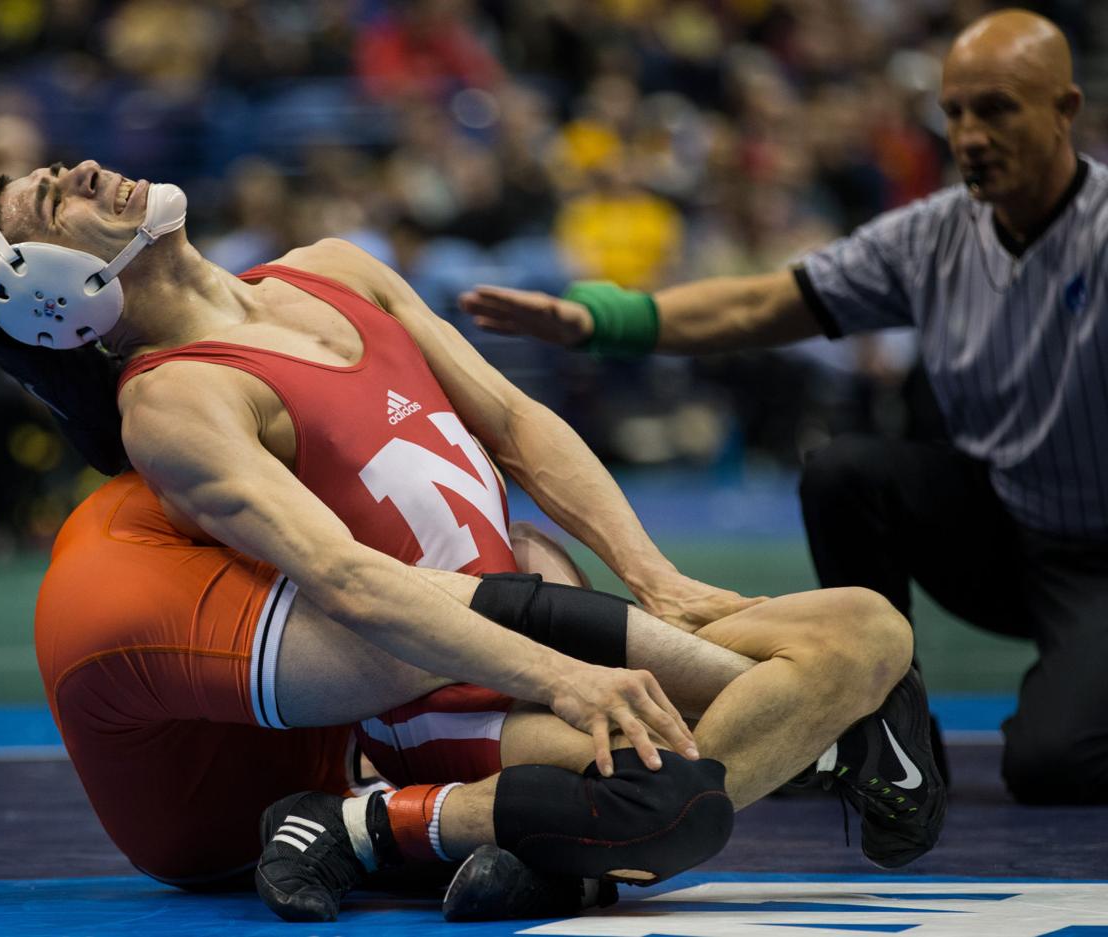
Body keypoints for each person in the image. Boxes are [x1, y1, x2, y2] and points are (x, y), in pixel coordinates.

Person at [0, 158, 939, 922]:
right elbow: (346, 579)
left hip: (557, 631)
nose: (82, 174)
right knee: (676, 792)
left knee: (868, 628)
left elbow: (514, 422)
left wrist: (658, 579)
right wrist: (560, 678)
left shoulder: (333, 269)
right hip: (448, 702)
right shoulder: (175, 400)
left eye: (63, 173)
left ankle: (526, 852)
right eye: (51, 205)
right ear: (54, 295)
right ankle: (399, 817)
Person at [458, 9, 1108, 807]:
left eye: (997, 108)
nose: (970, 134)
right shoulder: (933, 234)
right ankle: (886, 730)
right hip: (997, 527)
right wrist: (604, 320)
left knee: (1054, 766)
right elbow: (762, 304)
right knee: (845, 474)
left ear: (1066, 110)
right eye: (956, 112)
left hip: (1096, 556)